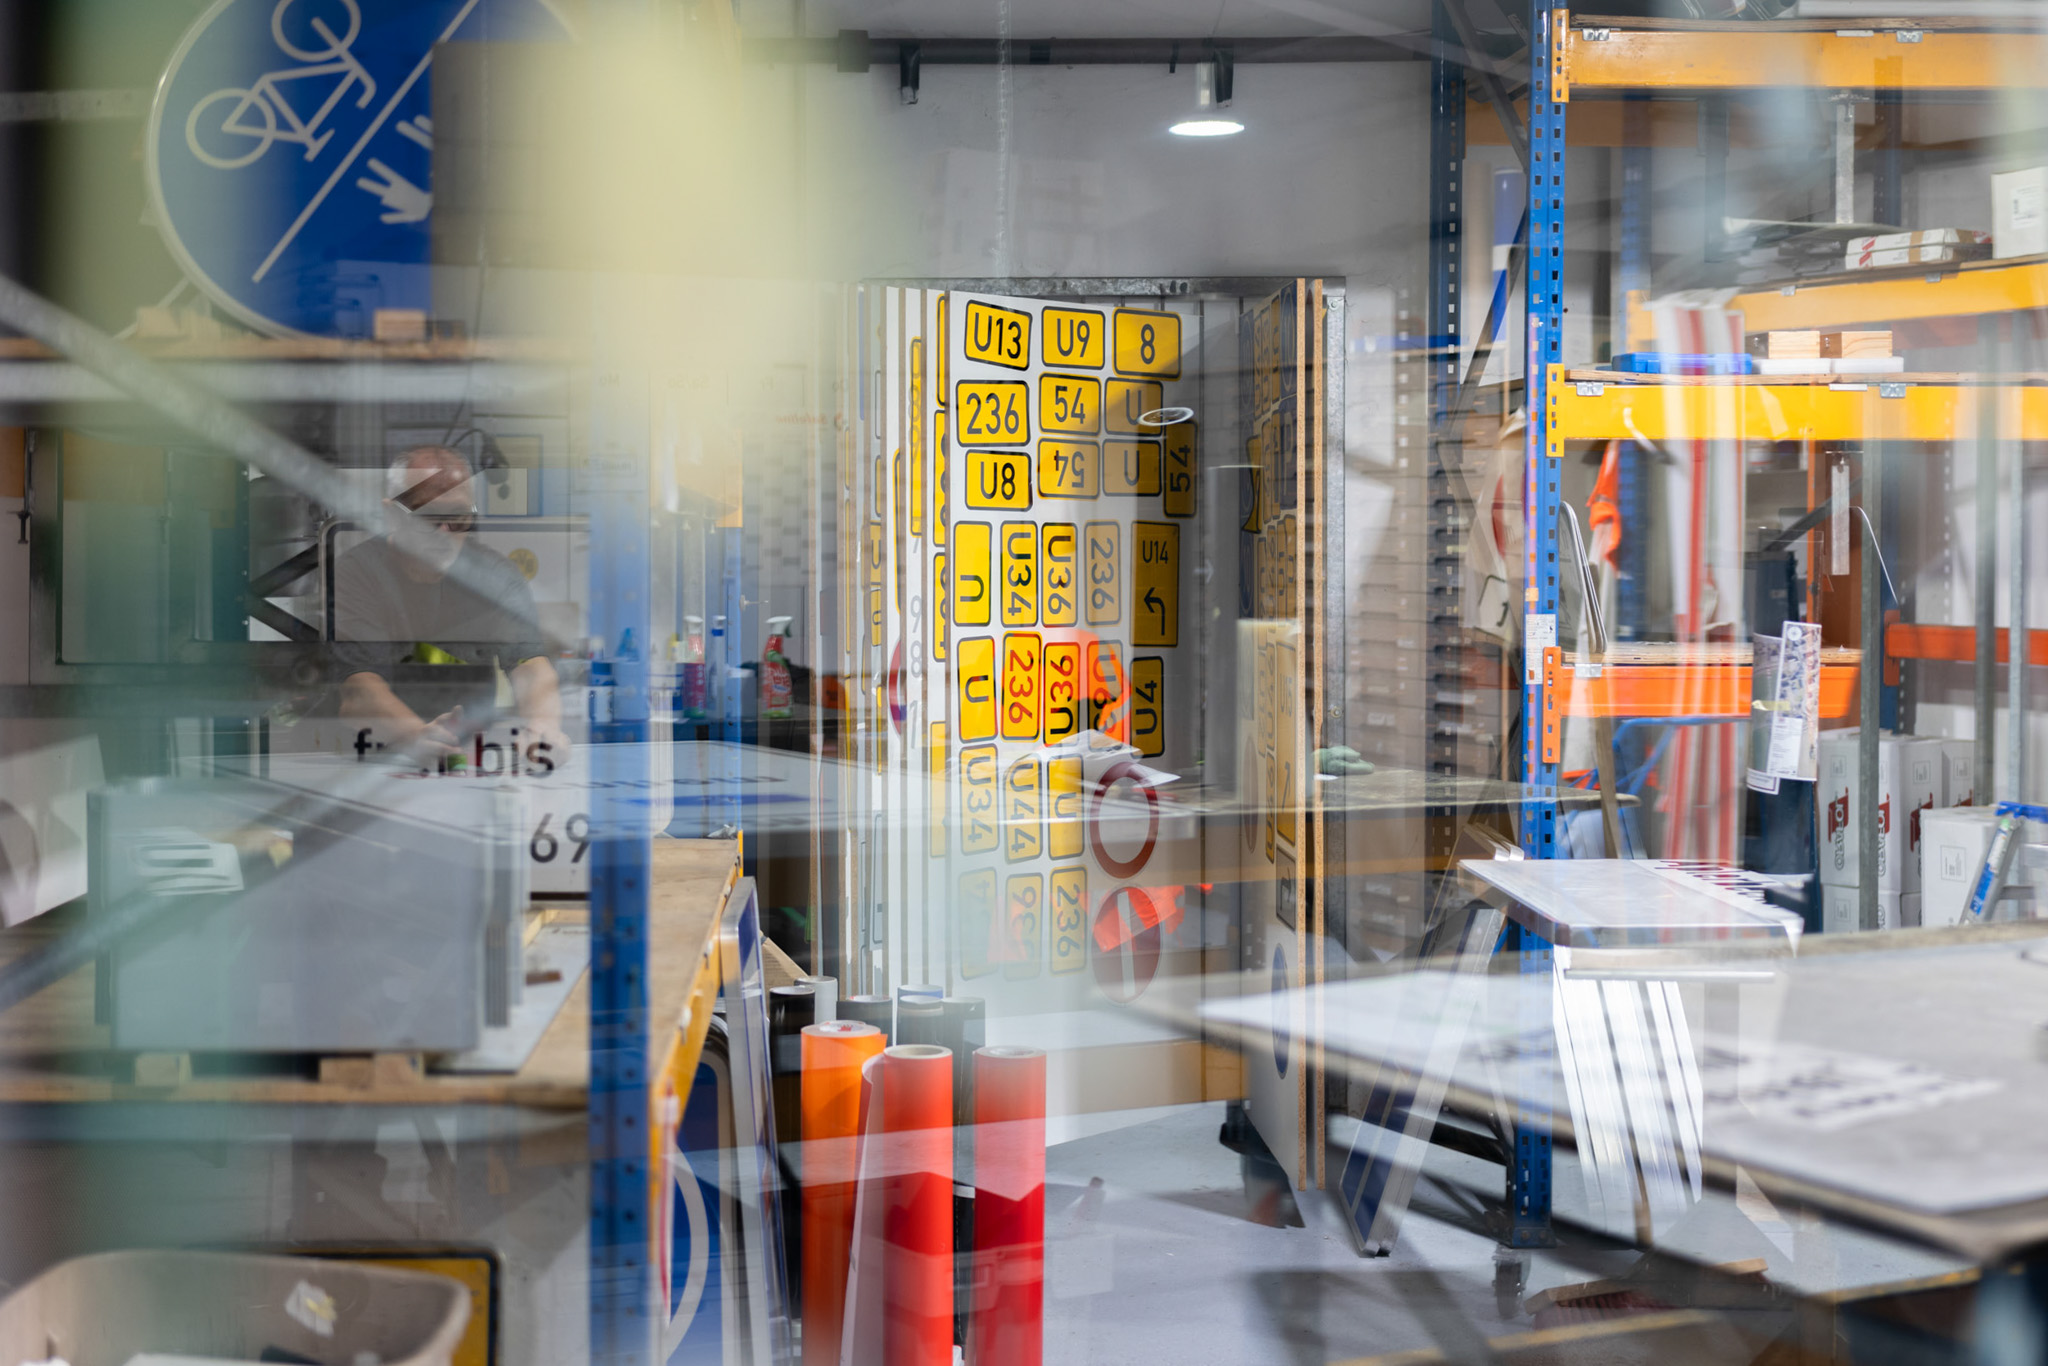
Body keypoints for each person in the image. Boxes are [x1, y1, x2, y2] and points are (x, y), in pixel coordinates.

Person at [332, 446, 570, 763]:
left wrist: (544, 728)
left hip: (471, 756)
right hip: (375, 758)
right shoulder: (359, 572)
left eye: (458, 518)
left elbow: (530, 666)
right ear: (391, 514)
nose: (445, 532)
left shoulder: (494, 578)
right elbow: (359, 691)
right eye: (429, 517)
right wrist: (415, 735)